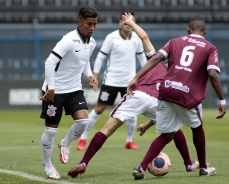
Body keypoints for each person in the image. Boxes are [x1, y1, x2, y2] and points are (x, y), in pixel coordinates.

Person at [67, 12, 199, 178]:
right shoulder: (177, 74)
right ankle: (188, 164)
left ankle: (83, 163)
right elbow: (167, 107)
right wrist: (147, 124)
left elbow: (143, 36)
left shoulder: (157, 58)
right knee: (174, 129)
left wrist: (131, 23)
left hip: (138, 95)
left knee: (107, 129)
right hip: (155, 100)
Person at [130, 17, 226, 180]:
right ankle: (203, 167)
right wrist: (222, 100)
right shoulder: (210, 48)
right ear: (205, 32)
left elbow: (155, 59)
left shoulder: (174, 42)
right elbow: (212, 73)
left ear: (188, 29)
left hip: (166, 90)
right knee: (197, 128)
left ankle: (141, 167)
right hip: (187, 93)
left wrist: (136, 78)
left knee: (167, 135)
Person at [39, 6, 98, 180]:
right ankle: (47, 165)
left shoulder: (92, 43)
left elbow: (84, 61)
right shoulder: (69, 40)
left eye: (95, 24)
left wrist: (89, 75)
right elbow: (49, 62)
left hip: (74, 89)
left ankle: (65, 143)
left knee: (83, 121)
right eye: (89, 24)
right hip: (55, 91)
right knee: (50, 131)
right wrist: (51, 87)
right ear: (80, 22)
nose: (92, 27)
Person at [77, 11, 147, 151]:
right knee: (99, 109)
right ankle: (83, 138)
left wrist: (146, 77)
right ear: (120, 23)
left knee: (132, 111)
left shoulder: (137, 39)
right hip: (111, 81)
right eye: (125, 22)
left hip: (129, 82)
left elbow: (142, 60)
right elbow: (101, 57)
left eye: (131, 21)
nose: (128, 24)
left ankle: (129, 141)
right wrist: (95, 75)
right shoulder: (112, 38)